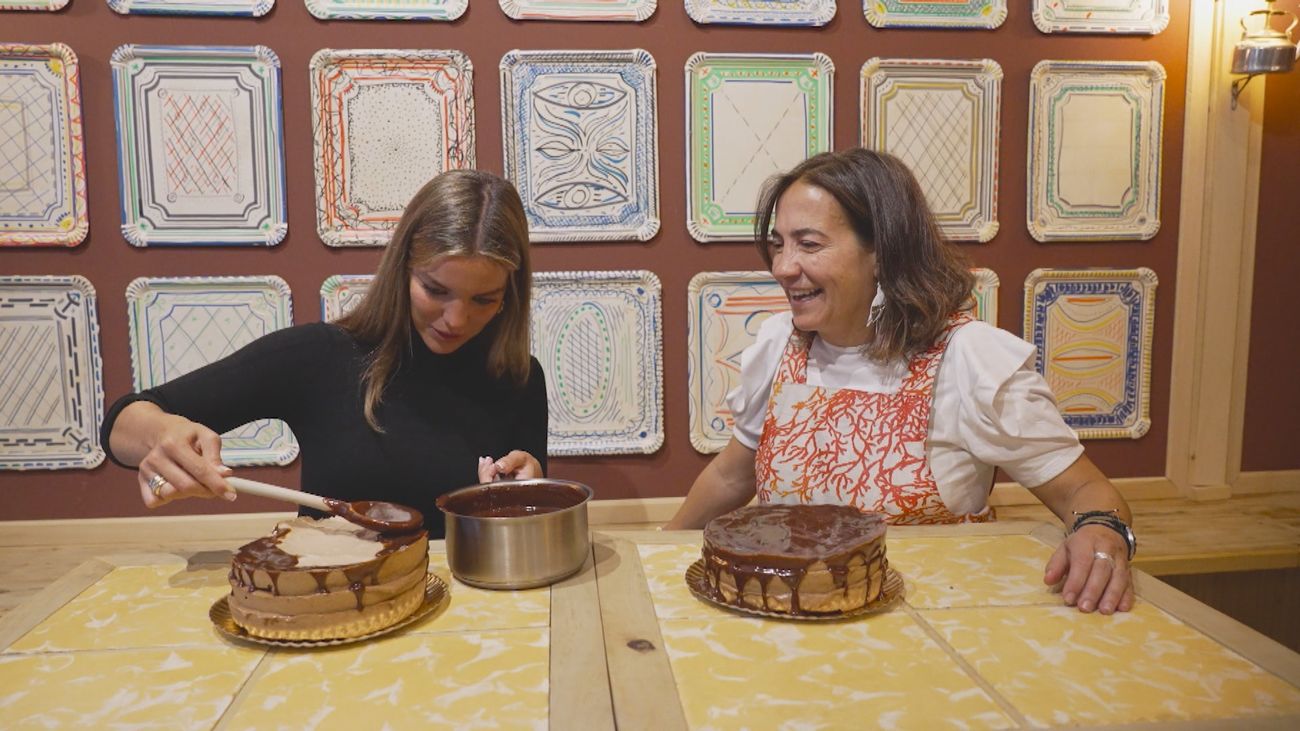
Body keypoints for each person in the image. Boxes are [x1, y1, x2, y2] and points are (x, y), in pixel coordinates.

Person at [665, 149, 1137, 615]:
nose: (783, 267)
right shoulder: (778, 345)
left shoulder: (968, 359)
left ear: (881, 253)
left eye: (808, 244)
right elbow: (733, 475)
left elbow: (1084, 491)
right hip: (789, 622)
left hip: (930, 626)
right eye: (779, 244)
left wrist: (1101, 531)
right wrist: (658, 549)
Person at [101, 170, 547, 539]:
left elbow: (524, 534)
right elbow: (122, 424)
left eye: (484, 300)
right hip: (332, 600)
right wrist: (162, 437)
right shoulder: (318, 356)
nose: (456, 319)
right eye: (435, 290)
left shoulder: (520, 379)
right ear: (402, 269)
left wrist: (527, 496)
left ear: (509, 294)